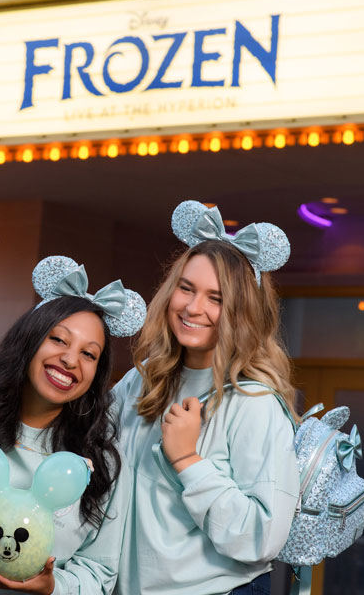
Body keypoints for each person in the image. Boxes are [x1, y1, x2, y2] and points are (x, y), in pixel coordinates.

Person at [0, 256, 145, 595]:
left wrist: (53, 587)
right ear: (29, 340)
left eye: (89, 354)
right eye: (58, 339)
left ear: (97, 374)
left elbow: (100, 572)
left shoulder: (104, 464)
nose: (70, 360)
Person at [113, 201, 300, 595]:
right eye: (187, 288)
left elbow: (260, 537)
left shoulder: (255, 402)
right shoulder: (140, 380)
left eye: (216, 298)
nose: (193, 308)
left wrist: (187, 460)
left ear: (242, 311)